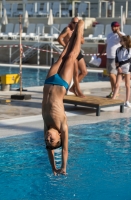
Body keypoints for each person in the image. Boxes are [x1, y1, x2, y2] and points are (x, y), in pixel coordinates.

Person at [42, 20, 85, 176]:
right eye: (51, 140)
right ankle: (80, 29)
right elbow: (65, 149)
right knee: (71, 56)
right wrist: (63, 167)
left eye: (47, 141)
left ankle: (72, 34)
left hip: (48, 81)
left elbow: (50, 151)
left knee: (62, 55)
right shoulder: (63, 127)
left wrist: (53, 168)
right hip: (61, 84)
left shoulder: (46, 126)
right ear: (59, 136)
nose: (48, 138)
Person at [57, 17, 88, 96]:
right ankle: (78, 90)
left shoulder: (79, 30)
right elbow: (59, 38)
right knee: (75, 73)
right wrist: (66, 46)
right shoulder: (67, 29)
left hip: (78, 52)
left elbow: (83, 41)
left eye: (77, 23)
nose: (75, 24)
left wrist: (78, 35)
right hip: (71, 53)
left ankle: (72, 87)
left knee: (84, 72)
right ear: (71, 22)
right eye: (74, 22)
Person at [99, 21, 125, 98]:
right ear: (111, 27)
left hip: (116, 57)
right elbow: (106, 44)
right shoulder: (109, 35)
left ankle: (115, 91)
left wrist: (118, 33)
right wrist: (101, 52)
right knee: (111, 76)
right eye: (114, 26)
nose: (115, 28)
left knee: (111, 74)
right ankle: (113, 90)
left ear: (119, 27)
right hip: (109, 57)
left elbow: (124, 41)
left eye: (116, 26)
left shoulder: (121, 35)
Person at [112, 35, 131, 107]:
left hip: (127, 67)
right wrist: (118, 67)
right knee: (117, 84)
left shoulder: (130, 49)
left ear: (125, 41)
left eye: (121, 40)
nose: (120, 41)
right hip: (120, 68)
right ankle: (113, 99)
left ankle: (127, 101)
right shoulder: (118, 49)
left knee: (127, 85)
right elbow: (116, 59)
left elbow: (128, 59)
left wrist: (119, 65)